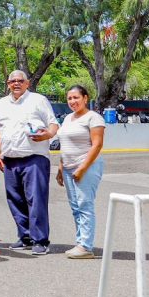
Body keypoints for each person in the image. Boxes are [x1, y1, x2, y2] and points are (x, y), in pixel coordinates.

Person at [0, 70, 59, 255]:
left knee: (36, 199)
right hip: (10, 158)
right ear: (8, 84)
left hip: (34, 157)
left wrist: (48, 134)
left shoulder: (38, 100)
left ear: (27, 83)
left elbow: (53, 124)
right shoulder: (1, 104)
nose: (16, 84)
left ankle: (41, 240)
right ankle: (25, 236)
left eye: (20, 81)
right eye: (12, 81)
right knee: (15, 199)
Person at [55, 84, 106, 259]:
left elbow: (97, 144)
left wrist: (82, 168)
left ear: (85, 98)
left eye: (76, 97)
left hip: (87, 167)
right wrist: (61, 168)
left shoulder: (93, 117)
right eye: (69, 98)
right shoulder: (68, 118)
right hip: (68, 168)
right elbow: (65, 144)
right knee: (76, 207)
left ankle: (86, 246)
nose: (72, 101)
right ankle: (81, 242)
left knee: (85, 205)